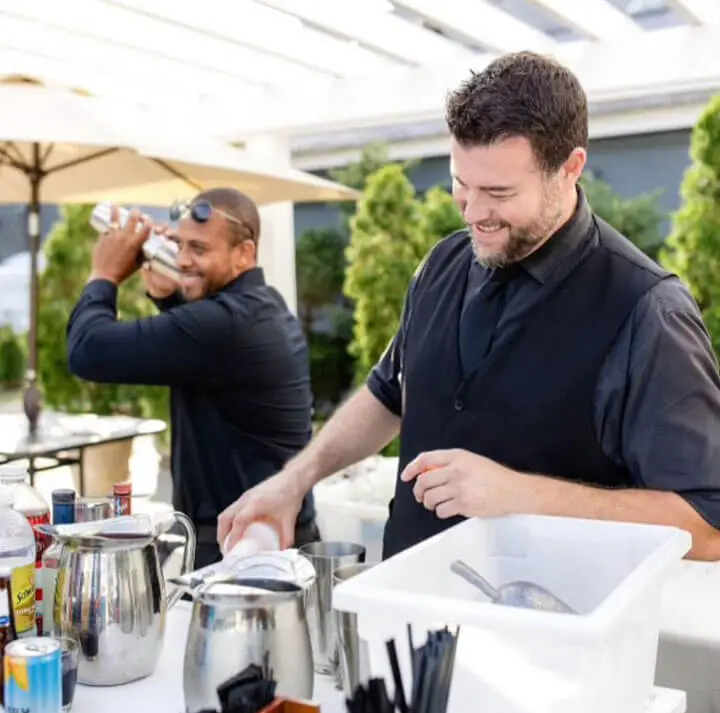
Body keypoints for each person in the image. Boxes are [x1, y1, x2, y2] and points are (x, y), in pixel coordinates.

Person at [219, 52, 720, 563]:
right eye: (461, 184)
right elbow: (388, 393)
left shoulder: (648, 309)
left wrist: (522, 494)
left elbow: (707, 524)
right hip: (402, 602)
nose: (474, 212)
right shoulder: (442, 262)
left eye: (498, 192)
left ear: (569, 169)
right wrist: (293, 482)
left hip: (549, 614)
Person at [67, 188, 319, 568]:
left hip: (247, 555)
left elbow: (87, 350)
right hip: (263, 541)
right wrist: (168, 297)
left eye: (199, 249)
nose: (183, 260)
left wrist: (104, 273)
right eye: (180, 245)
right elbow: (202, 355)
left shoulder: (224, 325)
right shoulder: (260, 307)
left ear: (244, 253)